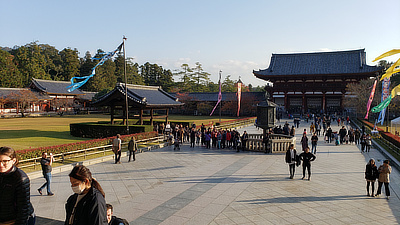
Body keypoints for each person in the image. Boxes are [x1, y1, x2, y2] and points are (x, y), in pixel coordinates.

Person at [0, 146, 35, 225]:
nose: (1, 164)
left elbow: (23, 208)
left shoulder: (20, 178)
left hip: (16, 220)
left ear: (13, 161)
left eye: (5, 161)